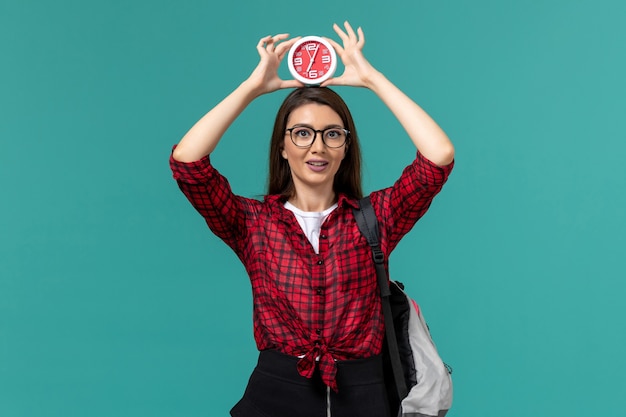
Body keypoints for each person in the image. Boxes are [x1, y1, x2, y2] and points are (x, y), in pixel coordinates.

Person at [170, 21, 454, 417]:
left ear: (345, 147)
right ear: (283, 146)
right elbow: (188, 164)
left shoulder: (377, 218)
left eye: (331, 134)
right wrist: (251, 89)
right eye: (302, 133)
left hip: (365, 395)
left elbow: (437, 157)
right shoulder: (253, 223)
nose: (317, 146)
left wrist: (372, 79)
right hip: (276, 394)